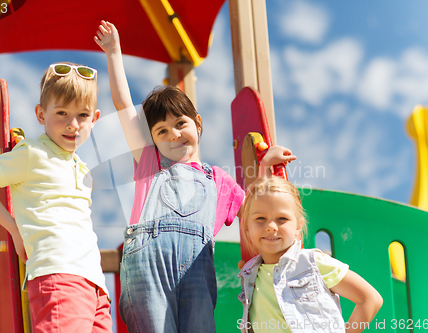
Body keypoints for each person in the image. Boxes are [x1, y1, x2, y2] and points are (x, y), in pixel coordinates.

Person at [94, 20, 296, 333]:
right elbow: (123, 104)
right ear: (152, 138)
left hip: (196, 273)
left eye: (180, 124)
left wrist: (266, 164)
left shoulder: (219, 180)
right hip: (148, 269)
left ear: (197, 123)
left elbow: (256, 206)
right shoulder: (150, 161)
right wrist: (114, 52)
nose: (173, 135)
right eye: (161, 131)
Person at [0, 63, 113, 333]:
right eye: (61, 113)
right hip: (58, 273)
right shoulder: (32, 153)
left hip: (95, 285)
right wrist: (13, 227)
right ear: (41, 114)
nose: (73, 124)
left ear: (95, 118)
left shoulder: (82, 170)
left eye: (82, 115)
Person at [237, 177, 383, 333]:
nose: (271, 227)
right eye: (260, 218)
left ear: (298, 226)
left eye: (282, 219)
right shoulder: (248, 274)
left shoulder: (312, 263)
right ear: (247, 227)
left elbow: (370, 299)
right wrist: (265, 163)